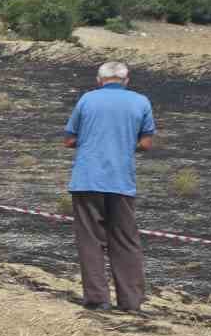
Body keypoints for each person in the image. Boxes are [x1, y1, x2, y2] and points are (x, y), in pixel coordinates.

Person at [63, 61, 157, 313]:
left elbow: (70, 139)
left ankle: (97, 299)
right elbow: (146, 143)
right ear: (126, 80)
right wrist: (127, 143)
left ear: (99, 79)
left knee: (90, 240)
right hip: (121, 181)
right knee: (126, 240)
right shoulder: (141, 102)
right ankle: (131, 302)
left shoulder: (87, 100)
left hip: (87, 180)